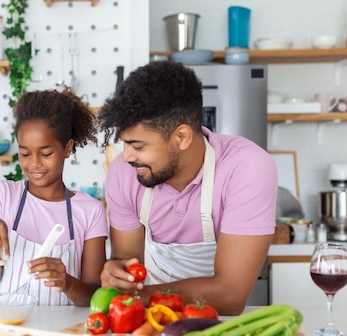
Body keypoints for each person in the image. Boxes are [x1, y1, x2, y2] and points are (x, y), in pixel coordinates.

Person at [96, 61, 277, 315]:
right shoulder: (123, 173)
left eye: (137, 146)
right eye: (124, 144)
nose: (125, 157)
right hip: (149, 321)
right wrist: (115, 273)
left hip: (219, 325)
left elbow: (231, 296)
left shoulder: (247, 167)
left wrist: (139, 294)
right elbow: (126, 264)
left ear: (181, 137)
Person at [0, 87, 108, 306]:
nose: (34, 163)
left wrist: (67, 282)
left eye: (45, 154)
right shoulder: (4, 195)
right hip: (5, 329)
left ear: (67, 148)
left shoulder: (90, 210)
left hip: (61, 332)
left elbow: (93, 295)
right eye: (25, 153)